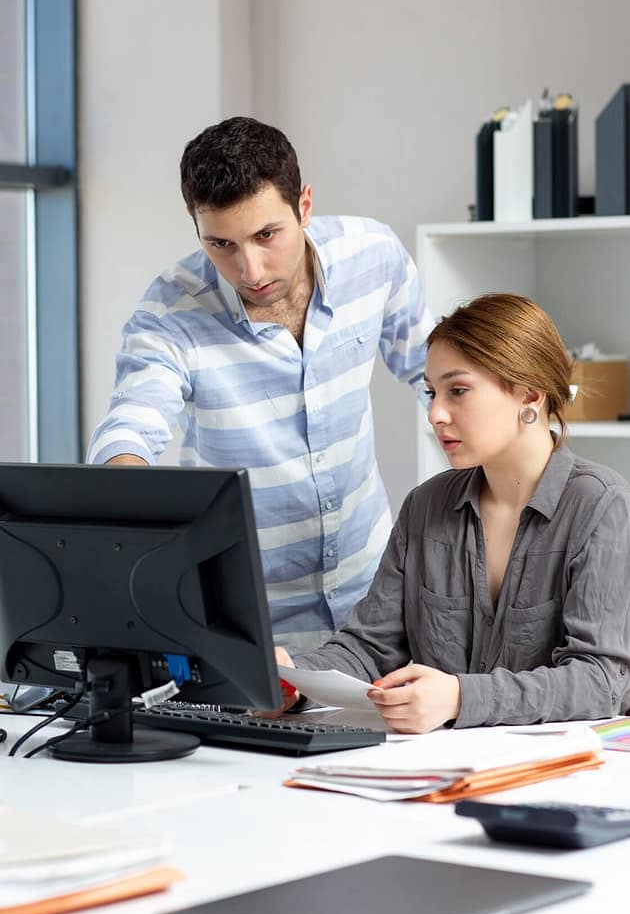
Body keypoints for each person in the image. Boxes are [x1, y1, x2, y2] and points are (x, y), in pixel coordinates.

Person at [87, 116, 433, 654]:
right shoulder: (170, 313)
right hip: (247, 622)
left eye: (266, 235)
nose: (249, 269)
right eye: (220, 243)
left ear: (305, 206)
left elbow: (431, 372)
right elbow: (131, 426)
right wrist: (126, 502)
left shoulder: (374, 255)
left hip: (376, 606)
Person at [276, 293, 630, 731]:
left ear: (531, 396)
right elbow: (370, 648)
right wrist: (293, 677)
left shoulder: (602, 505)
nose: (435, 414)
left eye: (457, 391)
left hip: (560, 774)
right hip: (438, 765)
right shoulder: (425, 507)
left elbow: (600, 680)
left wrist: (461, 698)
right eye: (432, 392)